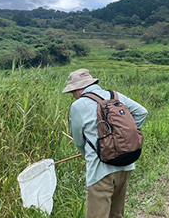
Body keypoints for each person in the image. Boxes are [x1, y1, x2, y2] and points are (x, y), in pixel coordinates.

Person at [62, 69, 148, 218]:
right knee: (116, 214)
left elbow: (78, 140)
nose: (73, 96)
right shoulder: (115, 96)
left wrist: (89, 153)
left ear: (78, 89)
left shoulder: (78, 105)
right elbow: (142, 112)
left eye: (73, 92)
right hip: (126, 164)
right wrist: (124, 136)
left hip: (100, 170)